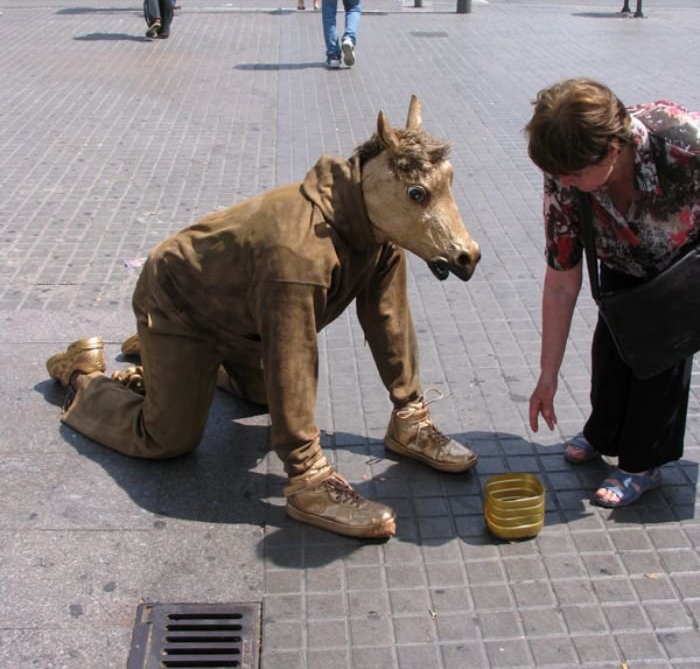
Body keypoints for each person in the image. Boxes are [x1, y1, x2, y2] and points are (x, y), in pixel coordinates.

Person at [45, 102, 479, 540]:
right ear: (382, 181)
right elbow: (292, 353)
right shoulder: (299, 254)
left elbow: (389, 319)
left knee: (264, 396)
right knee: (166, 438)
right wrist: (308, 470)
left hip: (244, 317)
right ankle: (85, 378)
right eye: (418, 198)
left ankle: (169, 360)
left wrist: (410, 409)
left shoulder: (380, 227)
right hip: (180, 304)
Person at [525, 78, 700, 509]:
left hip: (680, 270)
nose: (562, 182)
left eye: (573, 174)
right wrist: (547, 375)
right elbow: (562, 282)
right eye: (557, 173)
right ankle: (603, 432)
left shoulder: (683, 143)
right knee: (612, 350)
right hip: (622, 264)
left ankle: (643, 465)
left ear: (613, 149)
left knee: (658, 367)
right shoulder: (565, 168)